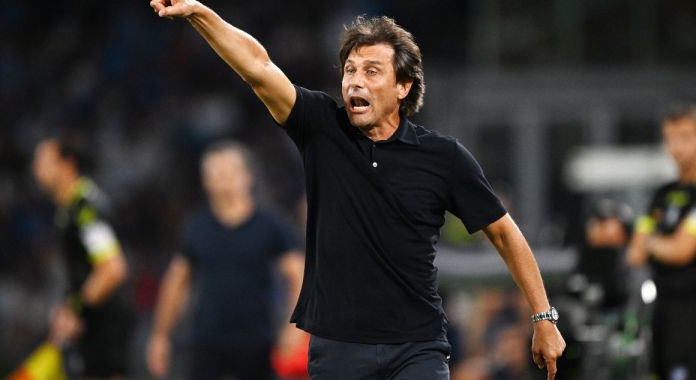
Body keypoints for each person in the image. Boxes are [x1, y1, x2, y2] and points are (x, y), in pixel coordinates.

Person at [148, 2, 566, 379]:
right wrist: (200, 14)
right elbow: (258, 67)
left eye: (371, 71)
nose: (355, 82)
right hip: (338, 351)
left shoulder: (444, 157)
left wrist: (542, 316)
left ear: (403, 87)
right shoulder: (320, 128)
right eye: (349, 70)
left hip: (416, 349)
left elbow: (504, 233)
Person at [146, 141, 306, 380]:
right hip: (206, 341)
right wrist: (160, 335)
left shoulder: (270, 225)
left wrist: (294, 326)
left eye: (230, 172)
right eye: (215, 174)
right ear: (205, 181)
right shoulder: (196, 228)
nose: (223, 180)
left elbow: (299, 275)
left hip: (257, 342)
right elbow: (176, 281)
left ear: (247, 176)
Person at [32, 136, 134, 379]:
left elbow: (113, 268)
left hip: (105, 324)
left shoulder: (86, 208)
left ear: (67, 164)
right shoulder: (67, 209)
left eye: (43, 161)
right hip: (93, 323)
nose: (36, 168)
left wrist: (74, 310)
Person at [627, 106, 696, 379]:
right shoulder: (661, 195)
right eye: (669, 137)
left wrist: (652, 242)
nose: (676, 146)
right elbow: (635, 253)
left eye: (686, 136)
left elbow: (681, 250)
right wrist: (658, 243)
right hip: (663, 313)